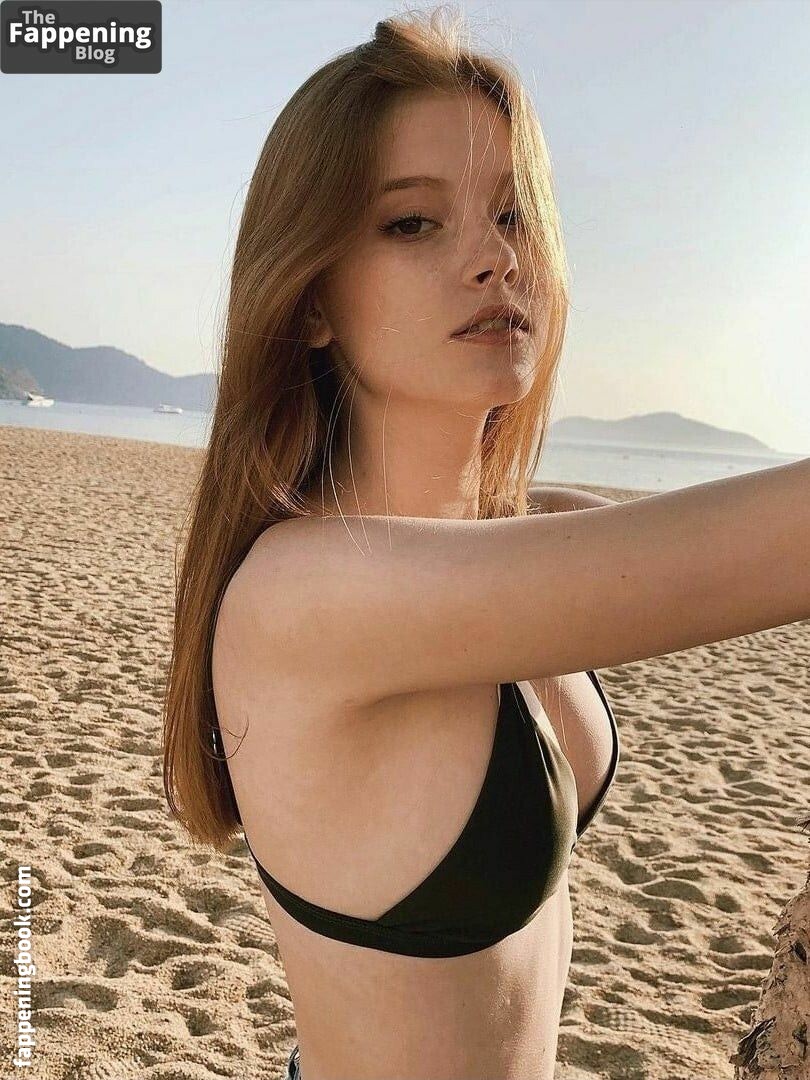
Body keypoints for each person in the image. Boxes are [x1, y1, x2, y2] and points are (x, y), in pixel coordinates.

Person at [161, 8, 810, 1080]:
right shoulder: (308, 597)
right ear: (311, 298)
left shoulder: (526, 529)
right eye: (414, 223)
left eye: (513, 214)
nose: (494, 258)